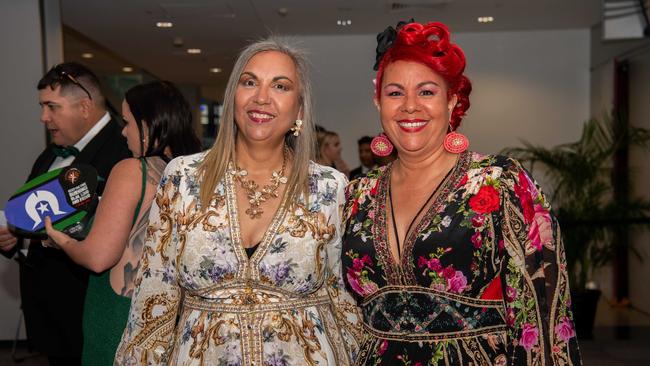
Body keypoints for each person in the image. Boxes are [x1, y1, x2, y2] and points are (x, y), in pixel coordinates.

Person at [342, 21, 581, 365]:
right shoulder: (358, 195)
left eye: (426, 91)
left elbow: (542, 312)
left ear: (452, 101)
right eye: (395, 93)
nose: (410, 106)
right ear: (378, 102)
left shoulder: (500, 183)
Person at [115, 38, 361, 365]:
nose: (262, 98)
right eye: (249, 82)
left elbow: (343, 300)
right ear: (233, 97)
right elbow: (154, 295)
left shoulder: (329, 188)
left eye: (281, 86)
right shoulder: (184, 178)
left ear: (299, 109)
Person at [43, 80, 201, 365]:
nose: (123, 131)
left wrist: (61, 239)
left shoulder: (133, 170)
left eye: (127, 122)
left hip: (120, 313)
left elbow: (98, 258)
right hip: (171, 314)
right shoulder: (194, 175)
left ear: (148, 125)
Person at [0, 62, 131, 366]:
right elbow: (38, 220)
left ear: (84, 107)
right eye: (42, 106)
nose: (43, 117)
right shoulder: (49, 154)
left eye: (51, 107)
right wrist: (16, 239)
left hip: (89, 316)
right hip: (52, 322)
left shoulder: (122, 153)